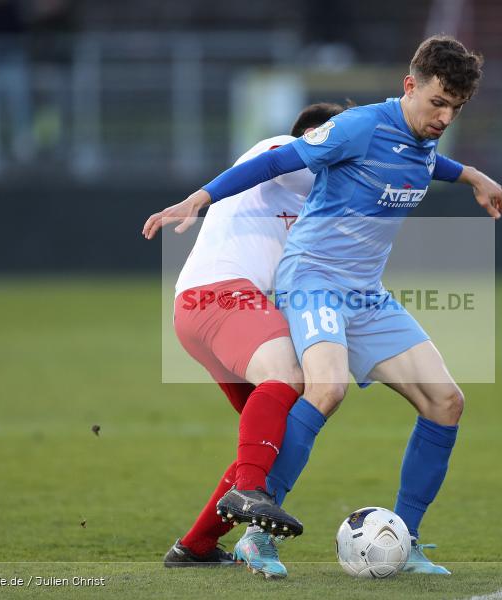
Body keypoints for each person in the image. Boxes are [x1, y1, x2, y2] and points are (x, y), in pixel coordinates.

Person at [143, 35, 502, 576]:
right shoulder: (359, 125)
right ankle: (256, 537)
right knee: (325, 388)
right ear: (409, 86)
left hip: (365, 291)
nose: (444, 117)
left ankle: (404, 540)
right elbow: (280, 159)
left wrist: (472, 175)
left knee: (446, 402)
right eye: (437, 102)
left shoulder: (421, 141)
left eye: (455, 108)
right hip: (312, 278)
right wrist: (202, 197)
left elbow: (423, 161)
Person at [154, 102, 346, 578]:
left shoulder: (311, 204)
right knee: (287, 378)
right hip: (220, 295)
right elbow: (276, 160)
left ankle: (196, 546)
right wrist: (200, 197)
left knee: (270, 436)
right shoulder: (282, 151)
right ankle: (250, 492)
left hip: (208, 308)